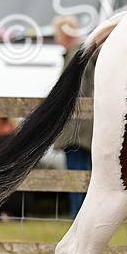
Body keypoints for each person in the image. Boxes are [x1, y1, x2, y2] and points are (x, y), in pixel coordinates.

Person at [53, 15, 96, 218]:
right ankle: (82, 214)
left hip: (78, 128)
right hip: (84, 126)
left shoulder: (75, 54)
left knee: (77, 173)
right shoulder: (81, 51)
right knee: (84, 171)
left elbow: (76, 90)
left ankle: (78, 215)